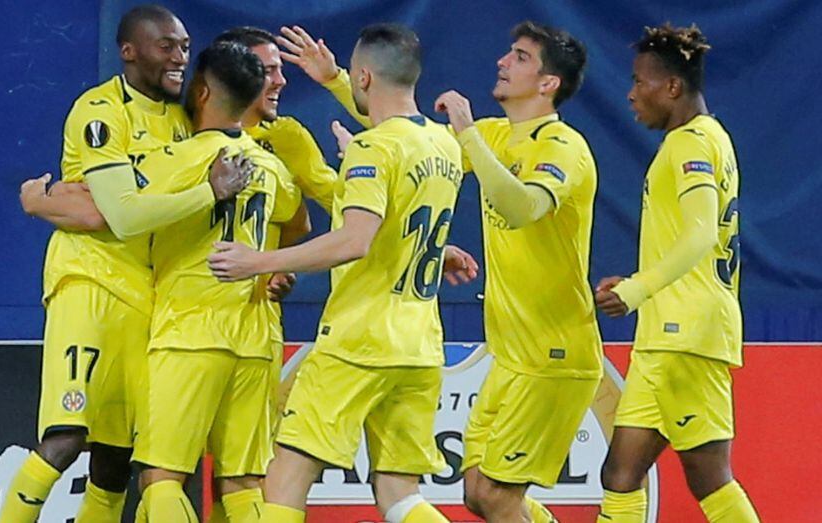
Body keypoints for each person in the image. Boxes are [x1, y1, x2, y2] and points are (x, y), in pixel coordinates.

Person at [283, 20, 602, 521]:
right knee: (479, 494)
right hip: (510, 354)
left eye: (519, 57)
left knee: (496, 497)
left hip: (553, 353)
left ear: (548, 83)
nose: (502, 61)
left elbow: (520, 208)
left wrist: (470, 135)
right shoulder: (497, 135)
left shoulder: (561, 146)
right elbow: (407, 140)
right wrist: (336, 81)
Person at [208, 23, 468, 523]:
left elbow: (354, 241)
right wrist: (334, 80)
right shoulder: (444, 145)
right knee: (400, 494)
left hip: (359, 341)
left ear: (364, 76)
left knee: (285, 481)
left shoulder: (374, 149)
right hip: (419, 345)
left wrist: (258, 261)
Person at [0, 6, 251, 522]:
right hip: (88, 282)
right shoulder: (100, 112)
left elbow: (113, 210)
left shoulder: (186, 123)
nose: (179, 57)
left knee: (115, 458)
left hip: (149, 296)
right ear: (129, 51)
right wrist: (207, 191)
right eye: (166, 46)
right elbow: (121, 214)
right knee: (67, 438)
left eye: (184, 46)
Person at [128, 40, 308, 523]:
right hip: (255, 335)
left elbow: (118, 210)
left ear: (202, 92)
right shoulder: (270, 166)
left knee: (162, 479)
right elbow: (300, 223)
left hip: (190, 330)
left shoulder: (181, 158)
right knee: (244, 483)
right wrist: (273, 265)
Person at [594, 23, 758, 523]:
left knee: (710, 477)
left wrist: (638, 290)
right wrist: (637, 281)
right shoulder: (711, 139)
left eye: (640, 81)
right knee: (620, 474)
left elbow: (702, 233)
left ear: (672, 86)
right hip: (669, 333)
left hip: (684, 334)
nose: (631, 92)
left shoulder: (690, 143)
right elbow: (685, 238)